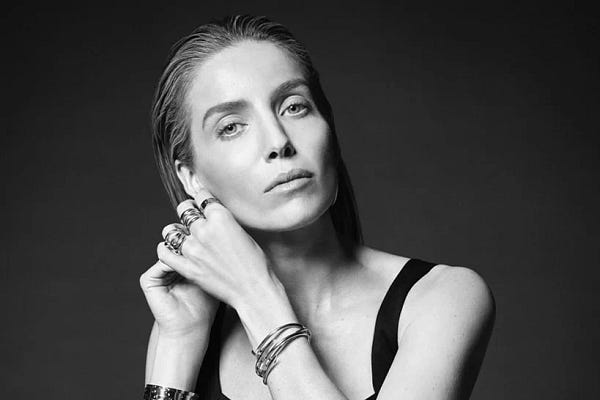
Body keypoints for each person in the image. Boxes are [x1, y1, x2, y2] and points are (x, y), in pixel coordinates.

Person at [139, 14, 496, 400]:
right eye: (231, 126)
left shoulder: (442, 298)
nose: (278, 141)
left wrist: (255, 294)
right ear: (191, 176)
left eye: (294, 107)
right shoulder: (188, 324)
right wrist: (178, 343)